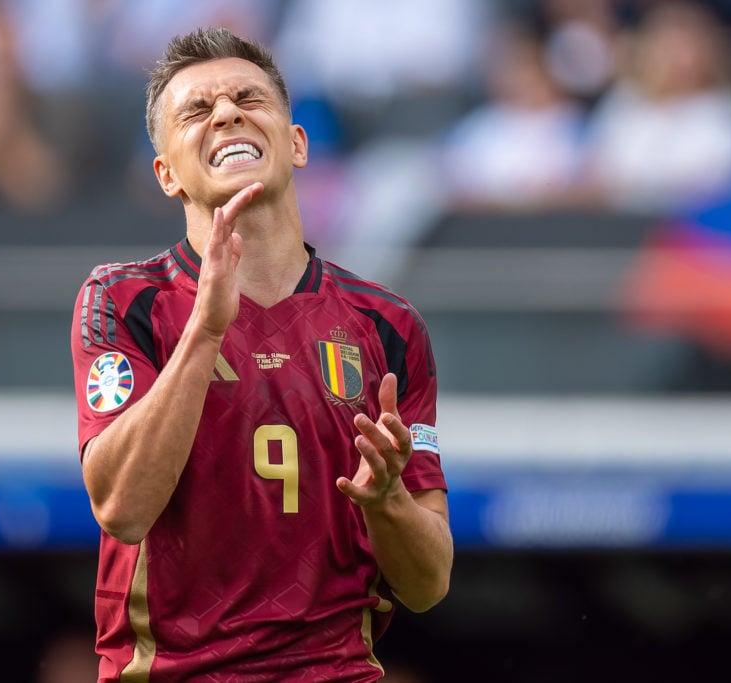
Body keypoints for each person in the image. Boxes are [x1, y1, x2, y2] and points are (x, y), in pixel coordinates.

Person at [70, 27, 452, 681]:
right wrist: (205, 330)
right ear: (166, 174)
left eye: (249, 97)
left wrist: (387, 499)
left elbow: (427, 583)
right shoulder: (122, 298)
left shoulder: (387, 324)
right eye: (197, 110)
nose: (226, 113)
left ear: (297, 143)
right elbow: (122, 508)